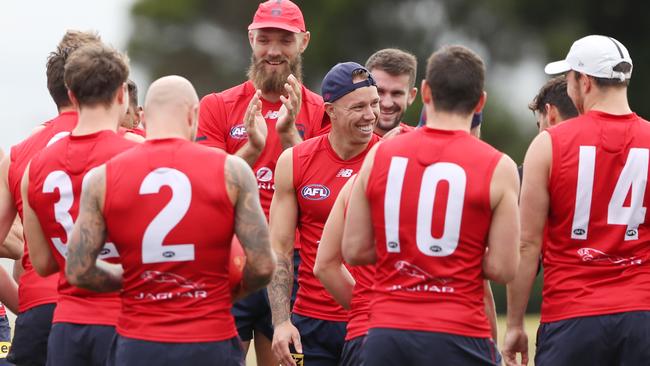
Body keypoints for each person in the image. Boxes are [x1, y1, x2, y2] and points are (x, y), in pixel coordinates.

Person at [64, 75, 276, 366]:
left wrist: (134, 280)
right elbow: (263, 265)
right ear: (194, 115)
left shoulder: (102, 177)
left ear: (144, 119)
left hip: (139, 343)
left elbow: (78, 270)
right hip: (209, 341)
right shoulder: (233, 171)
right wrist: (231, 292)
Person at [342, 45, 520, 365]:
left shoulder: (380, 154)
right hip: (460, 331)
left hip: (388, 330)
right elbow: (505, 268)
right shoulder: (499, 166)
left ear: (424, 92)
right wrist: (453, 256)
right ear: (481, 101)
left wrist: (408, 254)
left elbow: (354, 249)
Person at [504, 35, 650, 366]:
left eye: (569, 79)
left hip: (572, 317)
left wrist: (514, 324)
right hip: (642, 316)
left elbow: (527, 246)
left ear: (584, 82)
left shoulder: (549, 144)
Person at [196, 1, 325, 363]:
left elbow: (322, 191)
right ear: (250, 39)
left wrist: (288, 139)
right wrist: (252, 149)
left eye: (285, 40)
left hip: (291, 262)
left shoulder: (320, 111)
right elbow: (205, 189)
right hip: (230, 258)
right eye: (264, 39)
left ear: (304, 42)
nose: (273, 50)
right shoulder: (216, 106)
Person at [314, 119, 502, 366]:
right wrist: (491, 346)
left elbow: (325, 265)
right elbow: (485, 285)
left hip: (373, 333)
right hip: (446, 331)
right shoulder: (452, 192)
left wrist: (367, 308)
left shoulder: (357, 184)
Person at [21, 43, 139, 366]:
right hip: (126, 323)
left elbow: (43, 263)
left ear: (71, 96)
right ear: (121, 95)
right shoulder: (138, 156)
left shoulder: (35, 166)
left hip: (67, 326)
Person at [268, 61, 381, 366]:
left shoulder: (388, 161)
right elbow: (278, 248)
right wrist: (281, 321)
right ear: (330, 110)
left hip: (371, 324)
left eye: (374, 104)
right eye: (358, 107)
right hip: (312, 324)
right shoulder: (295, 160)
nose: (370, 115)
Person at [0, 29, 101, 366]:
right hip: (108, 310)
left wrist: (25, 301)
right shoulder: (128, 145)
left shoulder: (19, 153)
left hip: (39, 311)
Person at [365, 48, 418, 135]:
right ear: (363, 90)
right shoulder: (340, 140)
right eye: (379, 92)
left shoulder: (421, 144)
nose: (387, 104)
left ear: (411, 96)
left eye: (396, 93)